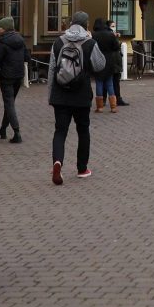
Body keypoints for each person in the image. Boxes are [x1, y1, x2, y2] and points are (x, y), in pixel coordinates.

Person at [49, 10, 107, 183]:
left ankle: (57, 162)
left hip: (60, 94)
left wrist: (50, 96)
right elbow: (99, 65)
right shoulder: (89, 42)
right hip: (81, 95)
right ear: (86, 24)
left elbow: (53, 69)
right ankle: (82, 168)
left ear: (71, 23)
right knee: (83, 131)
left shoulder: (59, 41)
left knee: (60, 131)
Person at [0, 16, 30, 143]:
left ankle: (17, 132)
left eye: (0, 27)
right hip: (19, 75)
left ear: (6, 28)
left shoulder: (1, 41)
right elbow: (27, 57)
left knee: (9, 103)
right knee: (10, 103)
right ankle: (3, 130)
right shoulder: (20, 39)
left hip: (6, 76)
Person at [91, 17, 122, 113]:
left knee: (99, 83)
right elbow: (116, 47)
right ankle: (113, 106)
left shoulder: (93, 35)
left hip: (98, 60)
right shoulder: (110, 34)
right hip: (109, 60)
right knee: (109, 83)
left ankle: (100, 107)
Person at [110, 20, 130, 106]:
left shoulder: (112, 35)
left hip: (113, 61)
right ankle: (116, 100)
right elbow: (115, 47)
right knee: (114, 82)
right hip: (114, 61)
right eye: (112, 26)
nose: (114, 28)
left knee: (108, 82)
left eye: (114, 26)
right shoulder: (110, 36)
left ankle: (104, 100)